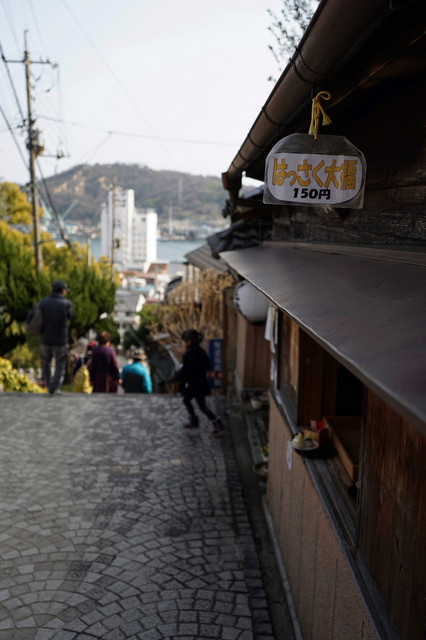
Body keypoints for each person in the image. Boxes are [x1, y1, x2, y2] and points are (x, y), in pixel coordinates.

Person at [175, 329, 225, 437]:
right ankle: (195, 421)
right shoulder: (201, 351)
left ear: (188, 342)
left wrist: (177, 375)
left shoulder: (189, 354)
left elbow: (186, 371)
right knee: (189, 401)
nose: (182, 343)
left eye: (183, 341)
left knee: (199, 405)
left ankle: (218, 425)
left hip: (194, 385)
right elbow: (207, 365)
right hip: (201, 383)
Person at [28, 280, 73, 395]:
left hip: (45, 339)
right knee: (60, 363)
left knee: (46, 362)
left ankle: (49, 385)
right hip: (60, 340)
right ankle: (54, 387)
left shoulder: (43, 303)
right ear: (62, 291)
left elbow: (31, 316)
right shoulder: (66, 304)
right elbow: (70, 316)